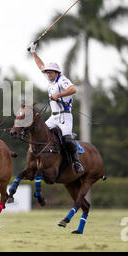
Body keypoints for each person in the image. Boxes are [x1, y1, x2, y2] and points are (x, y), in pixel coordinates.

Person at [29, 41, 84, 173]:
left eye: (50, 73)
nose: (48, 75)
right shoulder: (51, 79)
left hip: (64, 117)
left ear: (56, 72)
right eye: (47, 73)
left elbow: (73, 89)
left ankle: (76, 162)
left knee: (66, 139)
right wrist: (33, 52)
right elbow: (40, 65)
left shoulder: (62, 79)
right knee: (40, 133)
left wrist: (58, 95)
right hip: (53, 117)